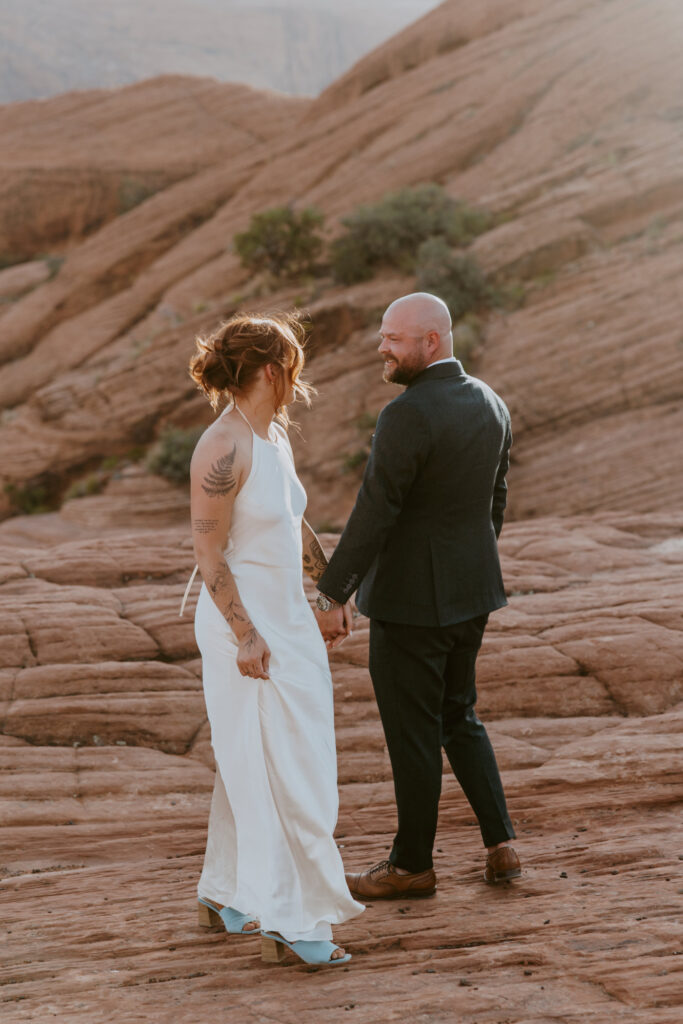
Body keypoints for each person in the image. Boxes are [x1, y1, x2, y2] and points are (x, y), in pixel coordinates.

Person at [314, 292, 521, 899]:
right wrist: (468, 568)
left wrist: (331, 593)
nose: (382, 347)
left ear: (431, 341)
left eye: (393, 338)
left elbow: (375, 511)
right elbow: (495, 504)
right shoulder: (491, 401)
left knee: (413, 731)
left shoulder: (406, 414)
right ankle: (501, 844)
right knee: (461, 715)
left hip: (410, 604)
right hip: (473, 593)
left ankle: (411, 866)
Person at [186, 311, 363, 965]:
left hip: (288, 616)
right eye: (293, 363)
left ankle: (223, 889)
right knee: (289, 766)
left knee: (254, 756)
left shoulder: (272, 436)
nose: (297, 376)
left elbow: (292, 521)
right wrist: (246, 636)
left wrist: (328, 595)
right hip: (247, 627)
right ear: (270, 369)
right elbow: (208, 554)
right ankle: (295, 920)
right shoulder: (222, 446)